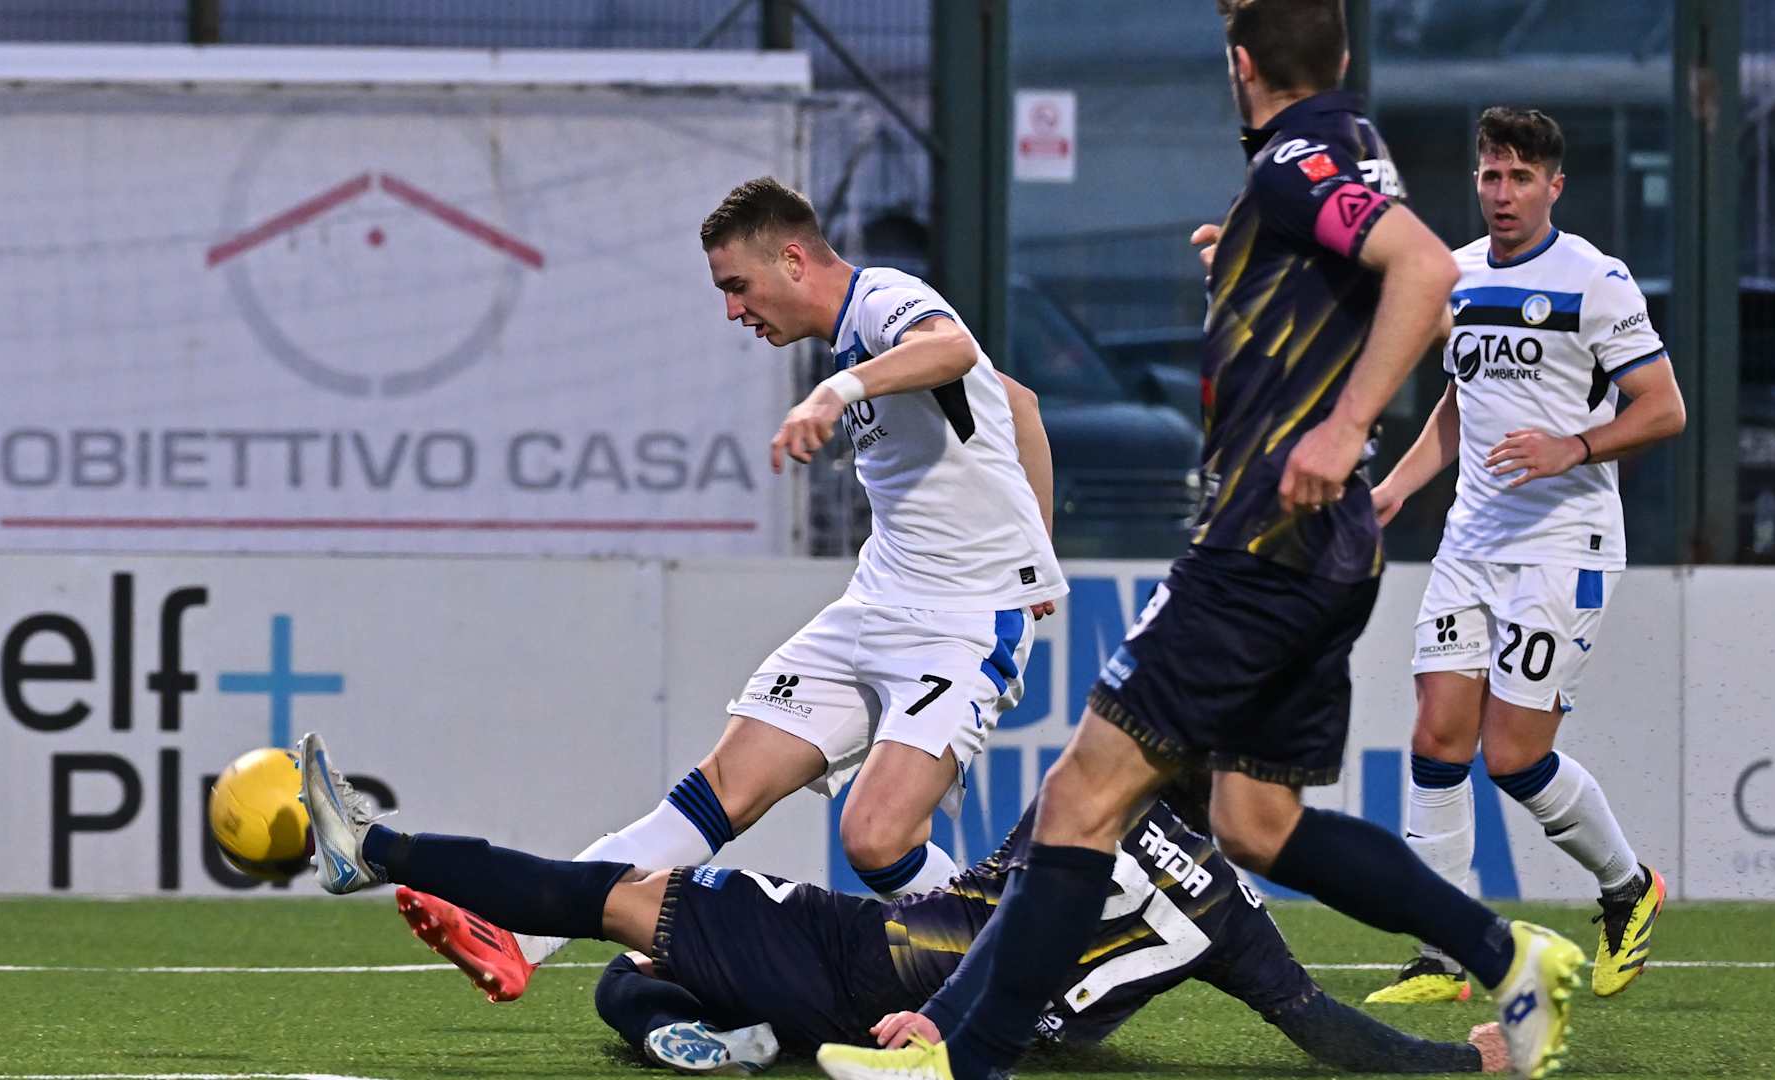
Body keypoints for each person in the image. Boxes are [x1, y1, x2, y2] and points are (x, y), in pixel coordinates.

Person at [814, 5, 1584, 1080]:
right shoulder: (1352, 143)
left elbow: (1424, 272)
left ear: (1241, 63)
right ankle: (1507, 953)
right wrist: (1260, 271)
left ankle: (962, 1061)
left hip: (1258, 545)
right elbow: (1375, 282)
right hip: (1325, 551)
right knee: (1258, 824)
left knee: (1081, 798)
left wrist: (1347, 425)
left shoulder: (1293, 163)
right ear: (1341, 56)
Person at [435, 177, 1068, 1000]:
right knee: (717, 793)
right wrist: (1036, 544)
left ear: (794, 259)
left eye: (738, 285)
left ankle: (1015, 980)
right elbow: (1018, 401)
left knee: (875, 838)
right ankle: (523, 934)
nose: (734, 310)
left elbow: (951, 349)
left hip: (960, 624)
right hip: (874, 604)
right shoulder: (853, 335)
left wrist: (837, 393)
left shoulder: (885, 301)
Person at [294, 731, 1507, 1075]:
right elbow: (1320, 1027)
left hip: (874, 959)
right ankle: (713, 1040)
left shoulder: (1089, 801)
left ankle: (374, 845)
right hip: (893, 1014)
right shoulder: (1238, 917)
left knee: (600, 897)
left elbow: (1018, 922)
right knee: (629, 977)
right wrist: (1462, 1065)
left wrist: (939, 1018)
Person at [1364, 106, 1682, 1005]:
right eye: (1491, 175)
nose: (1503, 193)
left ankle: (1628, 887)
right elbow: (1459, 405)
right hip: (1470, 542)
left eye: (1521, 177)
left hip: (1563, 545)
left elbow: (1664, 407)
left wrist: (1572, 447)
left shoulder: (1596, 281)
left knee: (1511, 758)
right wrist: (1396, 488)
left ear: (1554, 186)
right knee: (1436, 736)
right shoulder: (1458, 275)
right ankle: (1440, 953)